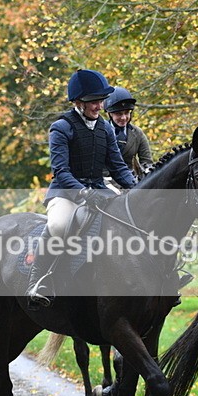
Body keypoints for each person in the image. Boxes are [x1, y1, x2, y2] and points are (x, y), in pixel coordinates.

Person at [26, 69, 136, 308]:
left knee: (131, 217)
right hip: (66, 193)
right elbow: (61, 171)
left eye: (100, 100)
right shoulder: (61, 128)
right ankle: (39, 280)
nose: (99, 106)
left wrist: (138, 189)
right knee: (58, 225)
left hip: (98, 189)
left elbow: (118, 167)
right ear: (78, 102)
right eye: (93, 101)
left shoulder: (106, 128)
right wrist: (83, 193)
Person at [104, 86, 153, 177]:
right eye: (118, 114)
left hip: (131, 180)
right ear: (110, 114)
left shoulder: (137, 133)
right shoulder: (99, 132)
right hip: (105, 182)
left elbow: (147, 162)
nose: (123, 118)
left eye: (127, 113)